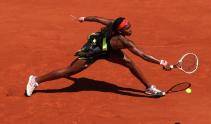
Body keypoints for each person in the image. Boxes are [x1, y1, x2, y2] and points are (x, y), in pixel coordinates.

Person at [25, 16, 172, 97]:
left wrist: (83, 18)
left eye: (130, 26)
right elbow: (143, 55)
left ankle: (149, 88)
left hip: (108, 51)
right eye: (128, 28)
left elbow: (95, 18)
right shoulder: (123, 41)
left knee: (129, 63)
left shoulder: (113, 24)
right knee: (70, 70)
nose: (131, 30)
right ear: (121, 31)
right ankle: (35, 80)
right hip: (94, 50)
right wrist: (161, 62)